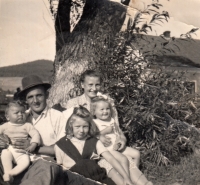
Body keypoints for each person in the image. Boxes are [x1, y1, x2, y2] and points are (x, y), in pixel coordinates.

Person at [0, 75, 101, 185]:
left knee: (46, 167)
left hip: (42, 164)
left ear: (47, 95)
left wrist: (34, 148)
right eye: (30, 97)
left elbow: (62, 148)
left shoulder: (57, 117)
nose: (35, 101)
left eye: (39, 96)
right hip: (14, 161)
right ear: (26, 100)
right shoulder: (21, 117)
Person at [64, 70, 140, 165]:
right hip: (85, 147)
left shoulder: (108, 102)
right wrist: (98, 136)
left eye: (97, 85)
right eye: (90, 85)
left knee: (130, 158)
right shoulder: (73, 104)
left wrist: (122, 139)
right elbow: (71, 132)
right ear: (82, 85)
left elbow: (116, 126)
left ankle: (134, 176)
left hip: (111, 145)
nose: (94, 88)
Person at [55, 106, 134, 185]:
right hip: (75, 180)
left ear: (89, 127)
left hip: (96, 178)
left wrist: (126, 177)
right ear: (71, 125)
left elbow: (111, 159)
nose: (81, 130)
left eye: (85, 127)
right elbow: (60, 169)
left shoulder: (93, 141)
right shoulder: (61, 144)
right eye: (77, 127)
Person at [91, 95, 153, 185]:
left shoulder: (111, 120)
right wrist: (104, 132)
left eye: (107, 109)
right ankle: (127, 179)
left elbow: (118, 133)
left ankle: (135, 174)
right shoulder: (95, 123)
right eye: (102, 109)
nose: (105, 111)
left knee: (136, 154)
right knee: (123, 159)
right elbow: (93, 136)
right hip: (108, 150)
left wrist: (120, 140)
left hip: (117, 147)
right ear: (94, 112)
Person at [0, 100, 40, 183]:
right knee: (4, 155)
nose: (20, 115)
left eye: (22, 112)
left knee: (25, 161)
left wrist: (33, 144)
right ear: (7, 117)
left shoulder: (27, 125)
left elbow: (35, 134)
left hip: (21, 152)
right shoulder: (5, 126)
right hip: (9, 149)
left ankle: (11, 174)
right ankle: (8, 174)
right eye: (16, 113)